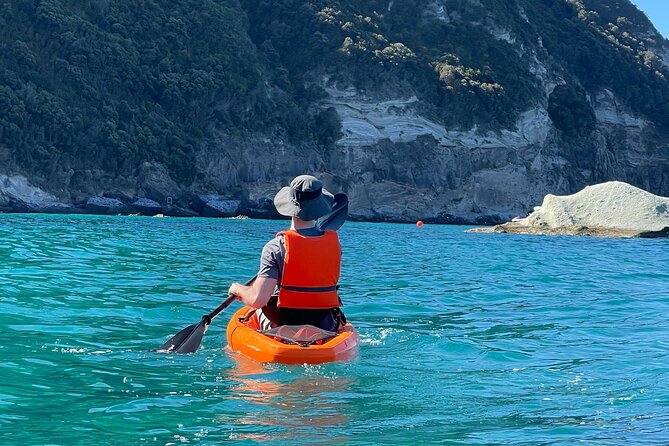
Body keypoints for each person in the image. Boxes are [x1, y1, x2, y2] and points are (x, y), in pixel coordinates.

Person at [227, 175, 343, 331]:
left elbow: (258, 300)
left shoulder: (275, 247)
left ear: (290, 206)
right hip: (323, 320)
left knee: (252, 311)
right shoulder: (335, 244)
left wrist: (237, 289)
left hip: (284, 321)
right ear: (320, 207)